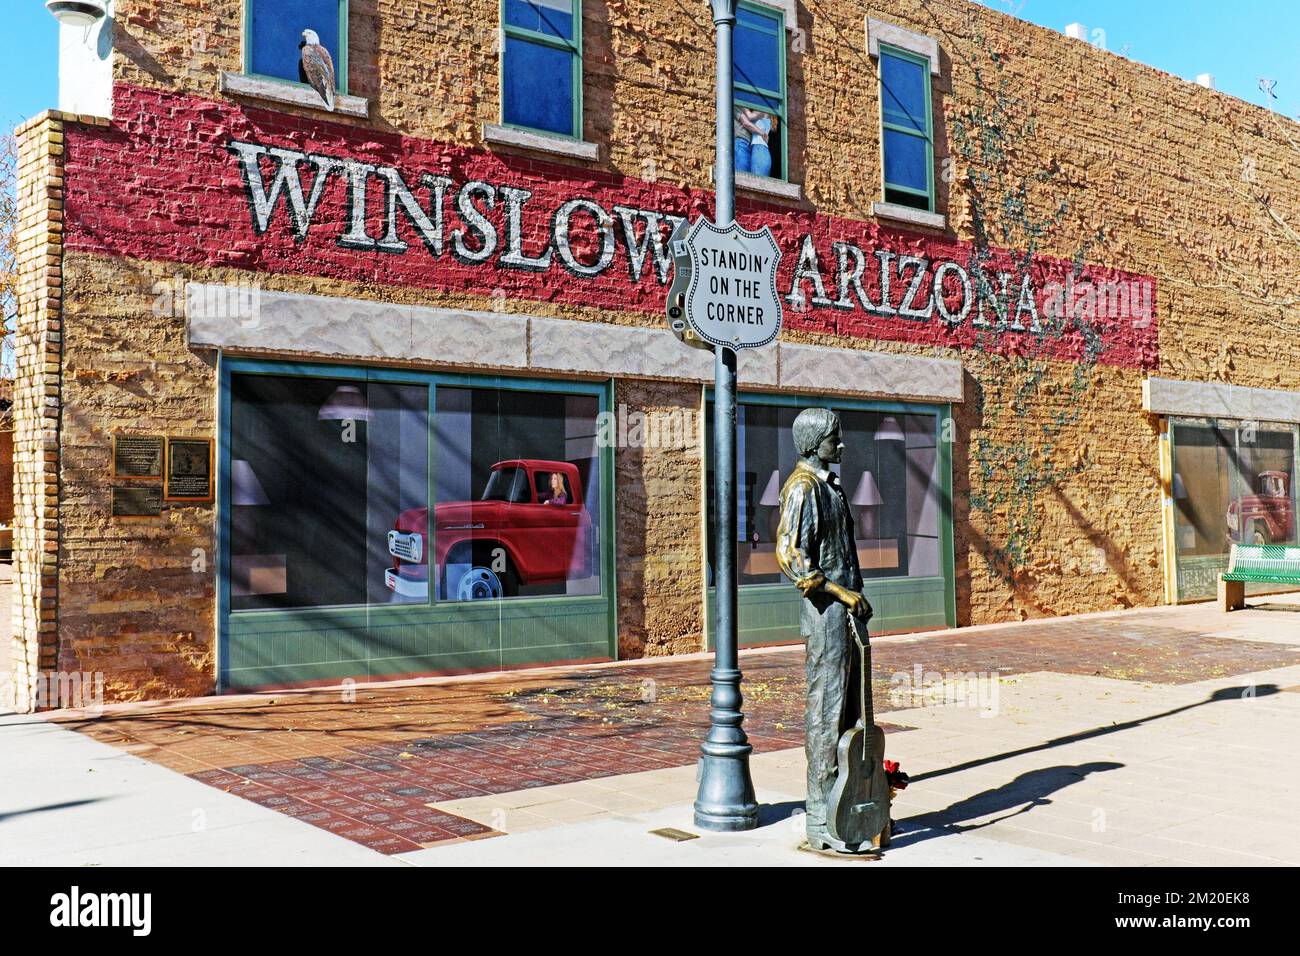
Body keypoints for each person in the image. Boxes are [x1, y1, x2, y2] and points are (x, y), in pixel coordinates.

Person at [775, 408, 873, 851]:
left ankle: (848, 802)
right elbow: (793, 556)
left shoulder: (830, 486)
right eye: (836, 437)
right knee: (826, 710)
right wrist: (841, 593)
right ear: (816, 443)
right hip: (827, 613)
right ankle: (820, 817)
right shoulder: (802, 488)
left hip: (848, 612)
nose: (843, 444)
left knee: (850, 709)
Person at [733, 105, 753, 174]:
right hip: (741, 141)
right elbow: (746, 123)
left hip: (746, 143)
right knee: (744, 174)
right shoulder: (737, 105)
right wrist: (761, 133)